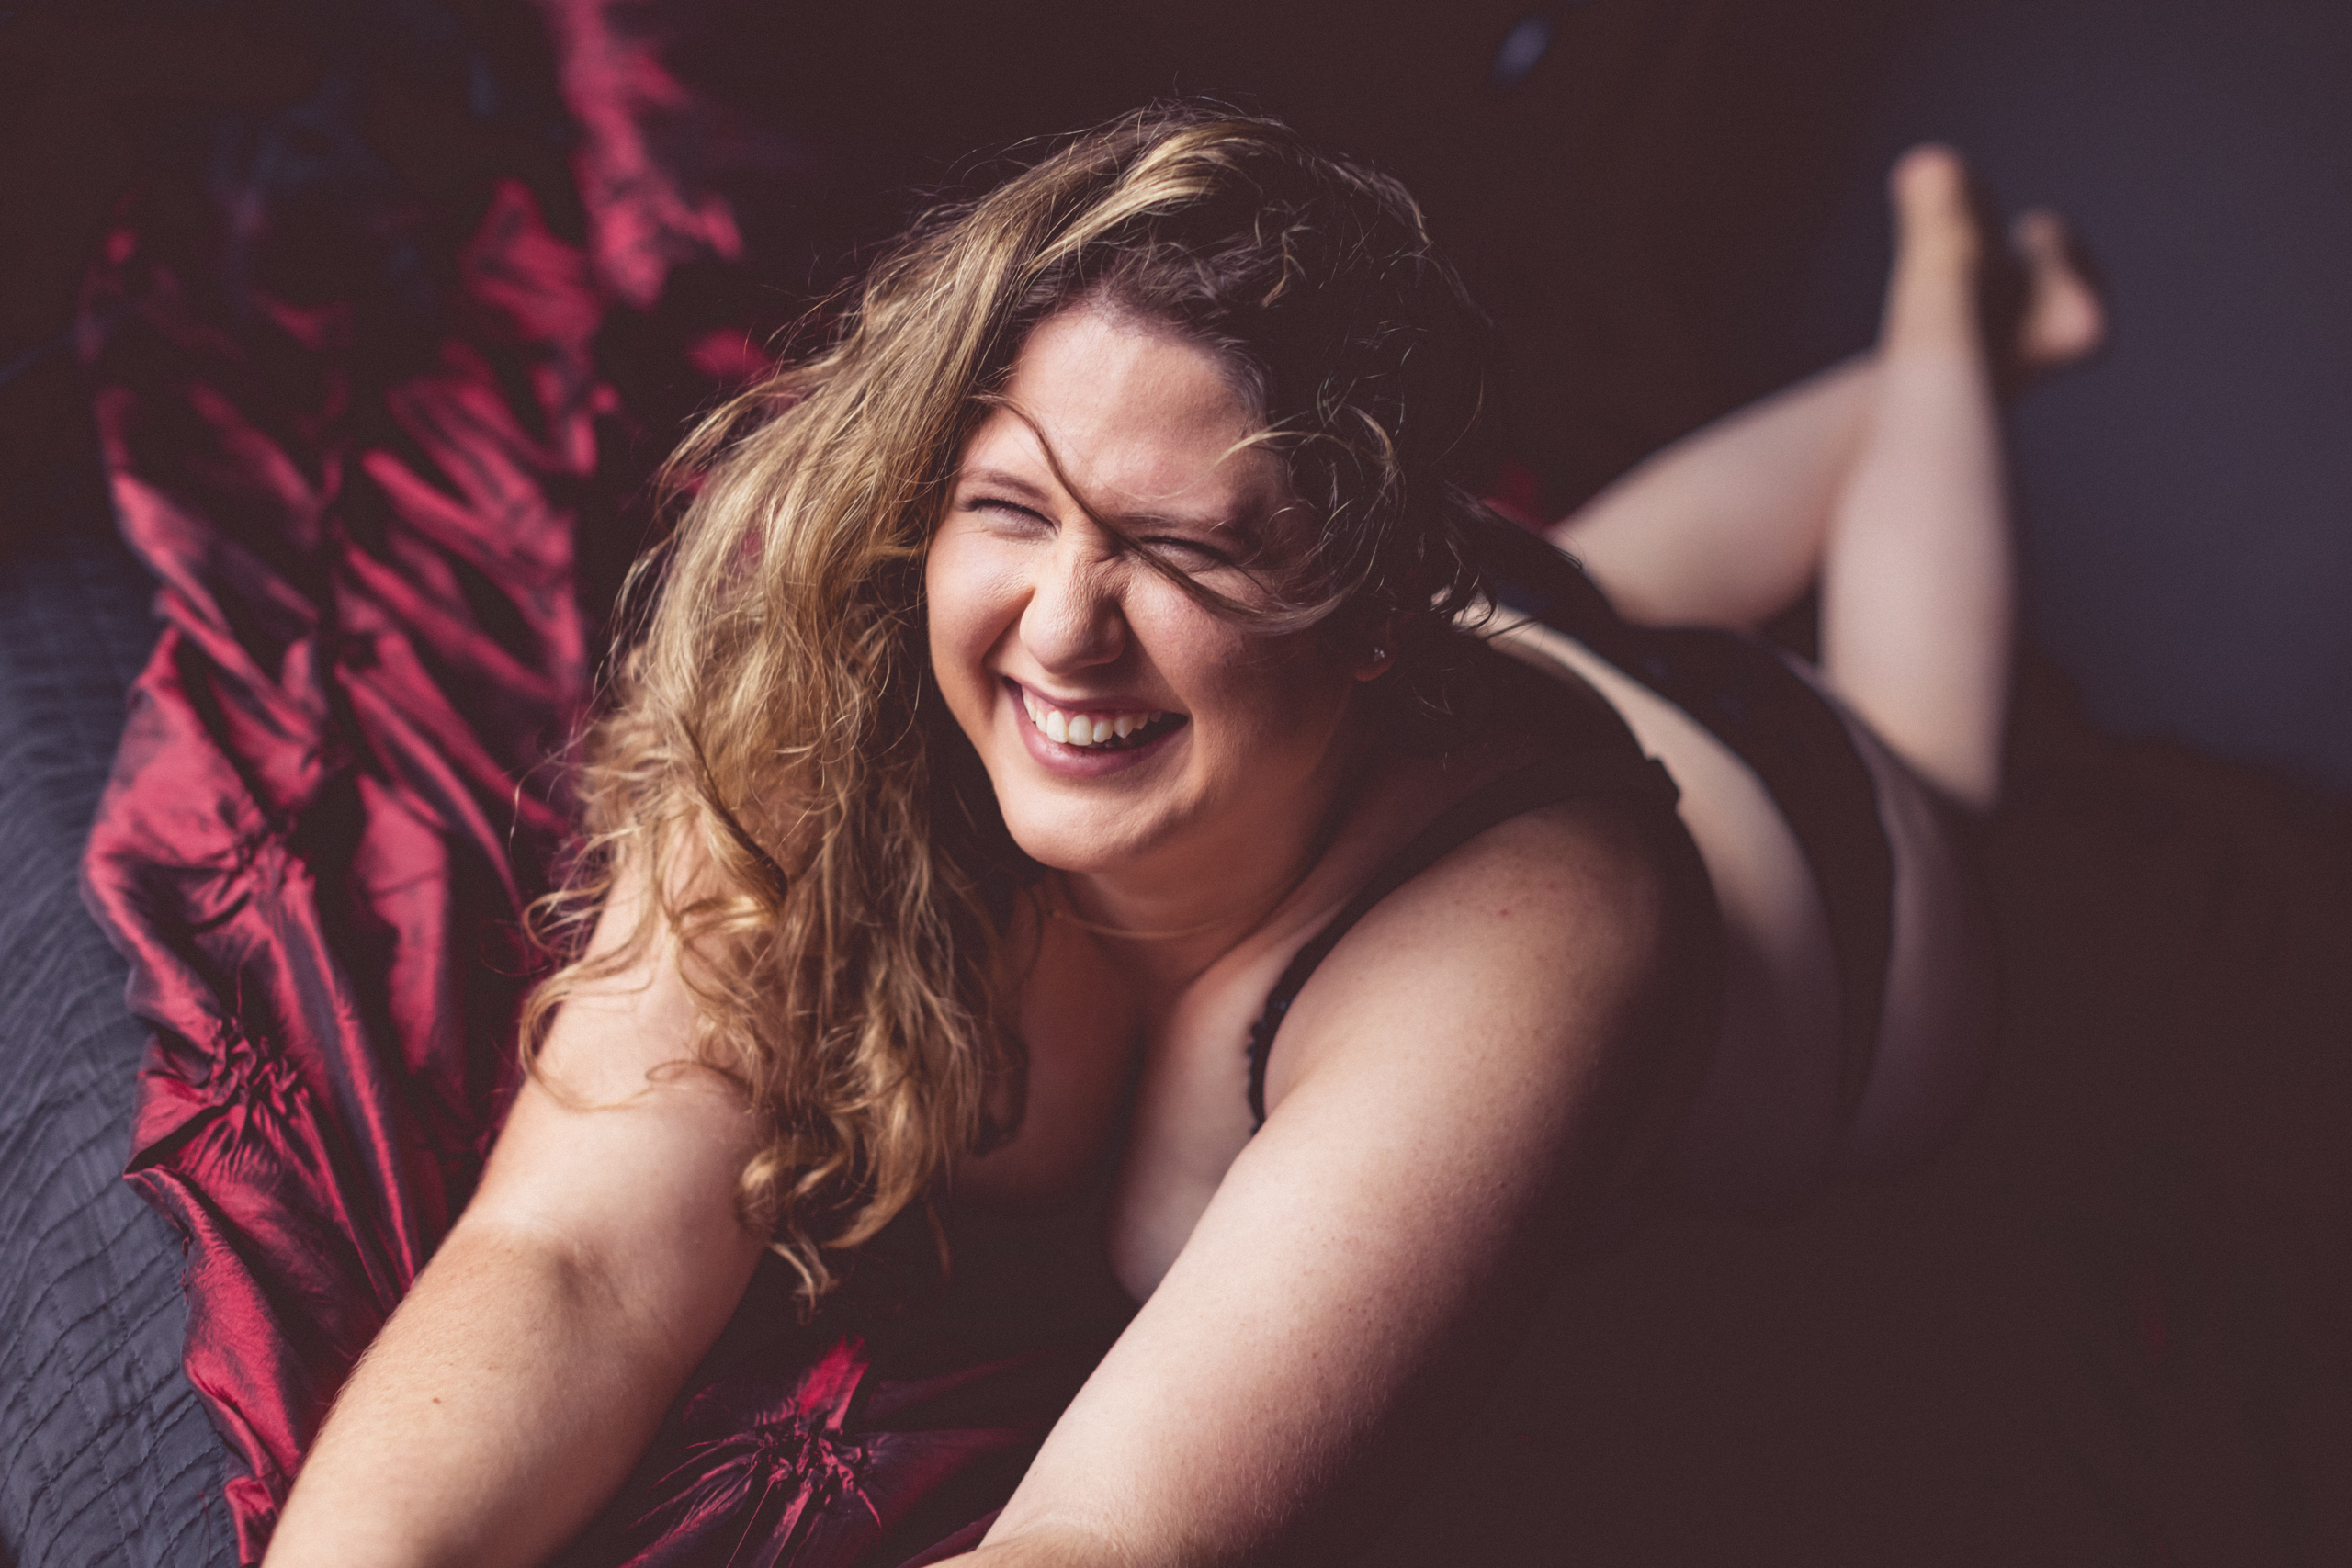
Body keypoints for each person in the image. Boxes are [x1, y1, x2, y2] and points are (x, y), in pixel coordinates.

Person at [263, 105, 2103, 1566]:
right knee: (1582, 580)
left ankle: (1944, 317)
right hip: (1429, 651)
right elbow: (566, 1259)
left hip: (1804, 851)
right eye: (1011, 505)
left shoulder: (1528, 928)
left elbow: (1112, 1534)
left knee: (1930, 749)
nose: (1061, 618)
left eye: (1175, 545)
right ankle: (1877, 376)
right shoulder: (854, 710)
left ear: (1363, 606)